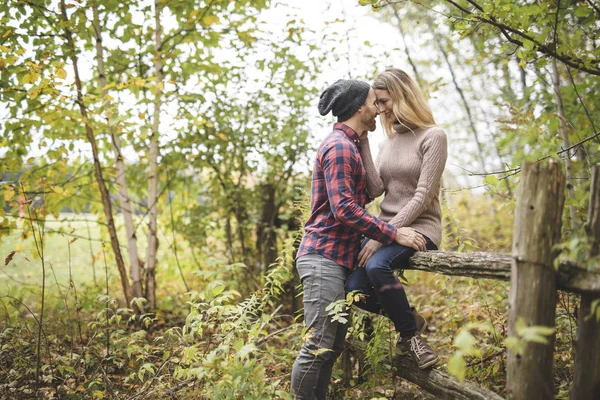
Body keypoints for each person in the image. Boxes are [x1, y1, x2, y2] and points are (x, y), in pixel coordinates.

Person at [291, 79, 427, 399]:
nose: (378, 108)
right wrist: (394, 232)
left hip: (335, 260)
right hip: (323, 258)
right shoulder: (339, 147)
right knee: (318, 347)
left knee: (332, 345)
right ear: (358, 108)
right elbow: (344, 210)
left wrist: (366, 140)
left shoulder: (351, 145)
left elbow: (373, 189)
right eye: (372, 102)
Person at [345, 68, 448, 370]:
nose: (379, 110)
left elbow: (423, 195)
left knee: (378, 264)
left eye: (384, 101)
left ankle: (411, 339)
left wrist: (382, 235)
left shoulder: (433, 137)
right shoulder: (387, 142)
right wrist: (364, 140)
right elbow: (377, 189)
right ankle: (408, 316)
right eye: (376, 104)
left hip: (419, 228)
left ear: (402, 96)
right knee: (353, 291)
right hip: (388, 230)